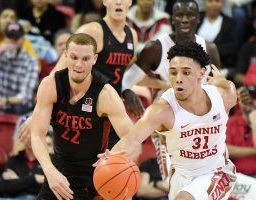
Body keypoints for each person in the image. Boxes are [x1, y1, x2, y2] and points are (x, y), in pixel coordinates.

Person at [97, 41, 237, 200]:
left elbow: (227, 86)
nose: (178, 78)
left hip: (217, 172)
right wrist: (110, 158)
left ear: (201, 73)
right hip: (180, 175)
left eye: (186, 72)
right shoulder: (161, 110)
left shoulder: (224, 95)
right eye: (173, 72)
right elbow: (131, 139)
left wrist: (219, 80)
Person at [31, 33, 139, 199]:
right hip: (59, 167)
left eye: (86, 59)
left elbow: (132, 139)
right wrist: (49, 170)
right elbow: (37, 134)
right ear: (65, 55)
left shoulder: (105, 94)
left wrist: (114, 155)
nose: (79, 64)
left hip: (94, 172)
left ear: (95, 59)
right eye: (74, 57)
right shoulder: (50, 85)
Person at [20, 0, 139, 149]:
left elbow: (122, 72)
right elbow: (59, 70)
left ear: (130, 2)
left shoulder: (132, 35)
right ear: (105, 2)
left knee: (120, 160)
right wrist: (36, 113)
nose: (118, 2)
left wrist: (126, 91)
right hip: (85, 107)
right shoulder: (92, 30)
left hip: (112, 108)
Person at [122, 0, 221, 116]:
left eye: (190, 15)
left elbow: (219, 88)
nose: (185, 20)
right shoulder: (155, 49)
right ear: (173, 19)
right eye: (179, 15)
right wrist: (127, 92)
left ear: (198, 18)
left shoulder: (210, 49)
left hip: (200, 118)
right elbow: (125, 82)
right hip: (166, 116)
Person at [0, 22, 39, 115]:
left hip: (17, 107)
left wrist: (6, 101)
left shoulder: (30, 62)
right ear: (4, 39)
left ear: (23, 40)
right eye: (10, 37)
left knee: (20, 108)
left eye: (16, 38)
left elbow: (25, 96)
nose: (12, 41)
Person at [226, 86, 256, 178]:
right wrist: (254, 151)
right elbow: (226, 150)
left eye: (254, 98)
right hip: (235, 175)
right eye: (247, 98)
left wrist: (254, 120)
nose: (249, 102)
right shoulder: (231, 121)